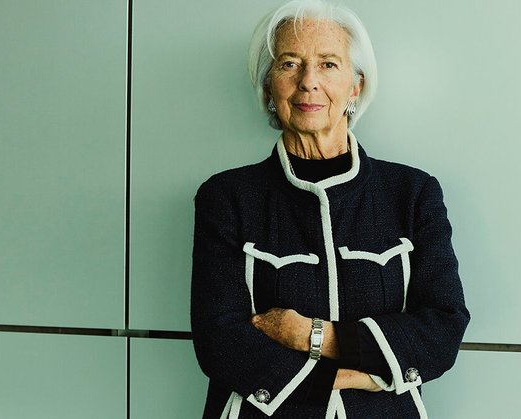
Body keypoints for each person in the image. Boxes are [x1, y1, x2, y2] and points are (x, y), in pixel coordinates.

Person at [191, 1, 469, 417]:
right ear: (269, 86)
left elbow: (442, 329)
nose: (308, 82)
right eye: (289, 64)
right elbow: (220, 340)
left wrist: (311, 335)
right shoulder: (227, 198)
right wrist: (354, 376)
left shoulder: (412, 193)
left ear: (355, 86)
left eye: (328, 64)